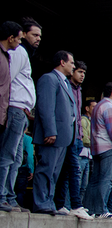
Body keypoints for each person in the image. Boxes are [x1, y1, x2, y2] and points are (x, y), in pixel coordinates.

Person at [31, 51, 77, 215]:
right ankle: (40, 202)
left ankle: (48, 202)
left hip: (63, 137)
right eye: (71, 62)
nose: (74, 66)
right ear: (62, 62)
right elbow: (45, 107)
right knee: (45, 169)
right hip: (52, 135)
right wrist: (50, 131)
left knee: (54, 172)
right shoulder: (49, 79)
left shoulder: (65, 82)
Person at [53, 60, 92, 219]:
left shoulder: (79, 90)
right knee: (71, 170)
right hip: (66, 134)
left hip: (76, 136)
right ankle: (75, 205)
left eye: (84, 73)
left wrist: (80, 133)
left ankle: (60, 204)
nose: (82, 75)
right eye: (79, 72)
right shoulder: (65, 86)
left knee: (66, 172)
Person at [0, 21, 30, 213]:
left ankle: (9, 197)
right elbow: (5, 84)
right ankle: (3, 196)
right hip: (13, 109)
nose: (21, 42)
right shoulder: (14, 53)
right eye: (21, 38)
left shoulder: (9, 54)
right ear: (11, 37)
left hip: (20, 111)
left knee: (16, 159)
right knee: (7, 156)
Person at [83, 82, 112, 218]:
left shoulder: (98, 107)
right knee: (108, 179)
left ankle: (90, 208)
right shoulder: (109, 108)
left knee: (95, 179)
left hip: (96, 148)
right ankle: (101, 210)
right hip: (108, 148)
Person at [78, 99, 97, 203]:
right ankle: (69, 206)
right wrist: (93, 141)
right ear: (87, 108)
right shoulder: (83, 120)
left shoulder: (92, 121)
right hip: (81, 155)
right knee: (77, 183)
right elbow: (85, 139)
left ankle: (79, 205)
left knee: (84, 186)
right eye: (93, 107)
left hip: (88, 156)